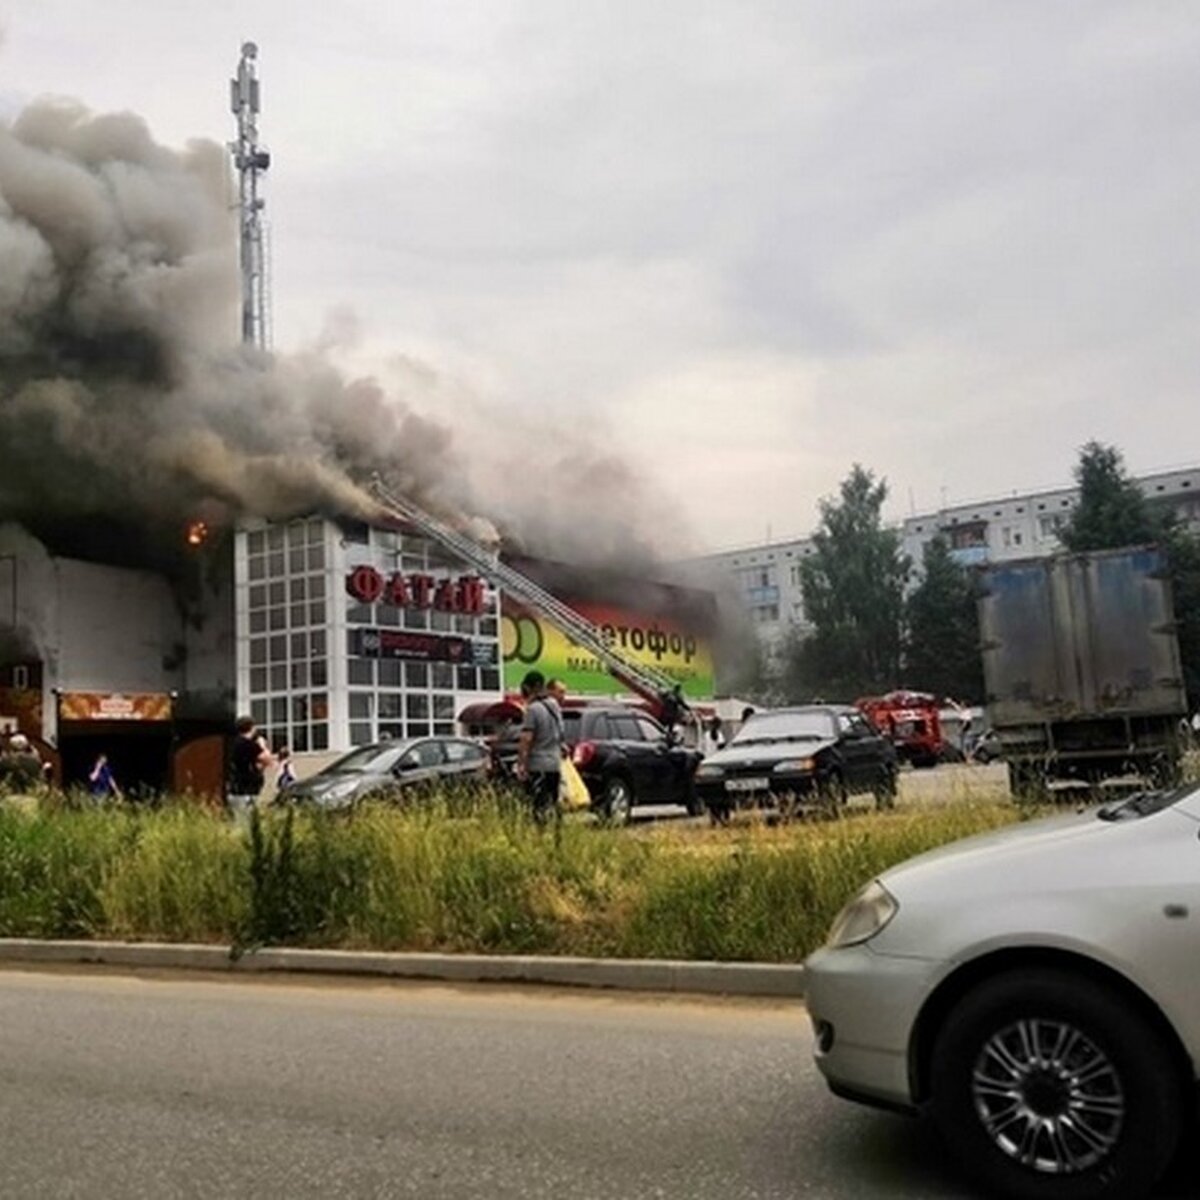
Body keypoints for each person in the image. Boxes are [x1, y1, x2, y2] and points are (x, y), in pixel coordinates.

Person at [515, 670, 564, 825]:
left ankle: (540, 837)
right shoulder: (555, 706)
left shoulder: (533, 709)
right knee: (553, 803)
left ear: (531, 687)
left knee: (538, 807)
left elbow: (527, 739)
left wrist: (522, 764)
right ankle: (556, 838)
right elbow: (560, 734)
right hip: (554, 765)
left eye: (525, 687)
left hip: (538, 766)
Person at [228, 716, 274, 817]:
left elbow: (257, 764)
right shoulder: (248, 744)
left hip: (237, 789)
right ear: (252, 728)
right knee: (246, 823)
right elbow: (268, 760)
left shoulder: (235, 743)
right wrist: (262, 745)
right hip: (245, 792)